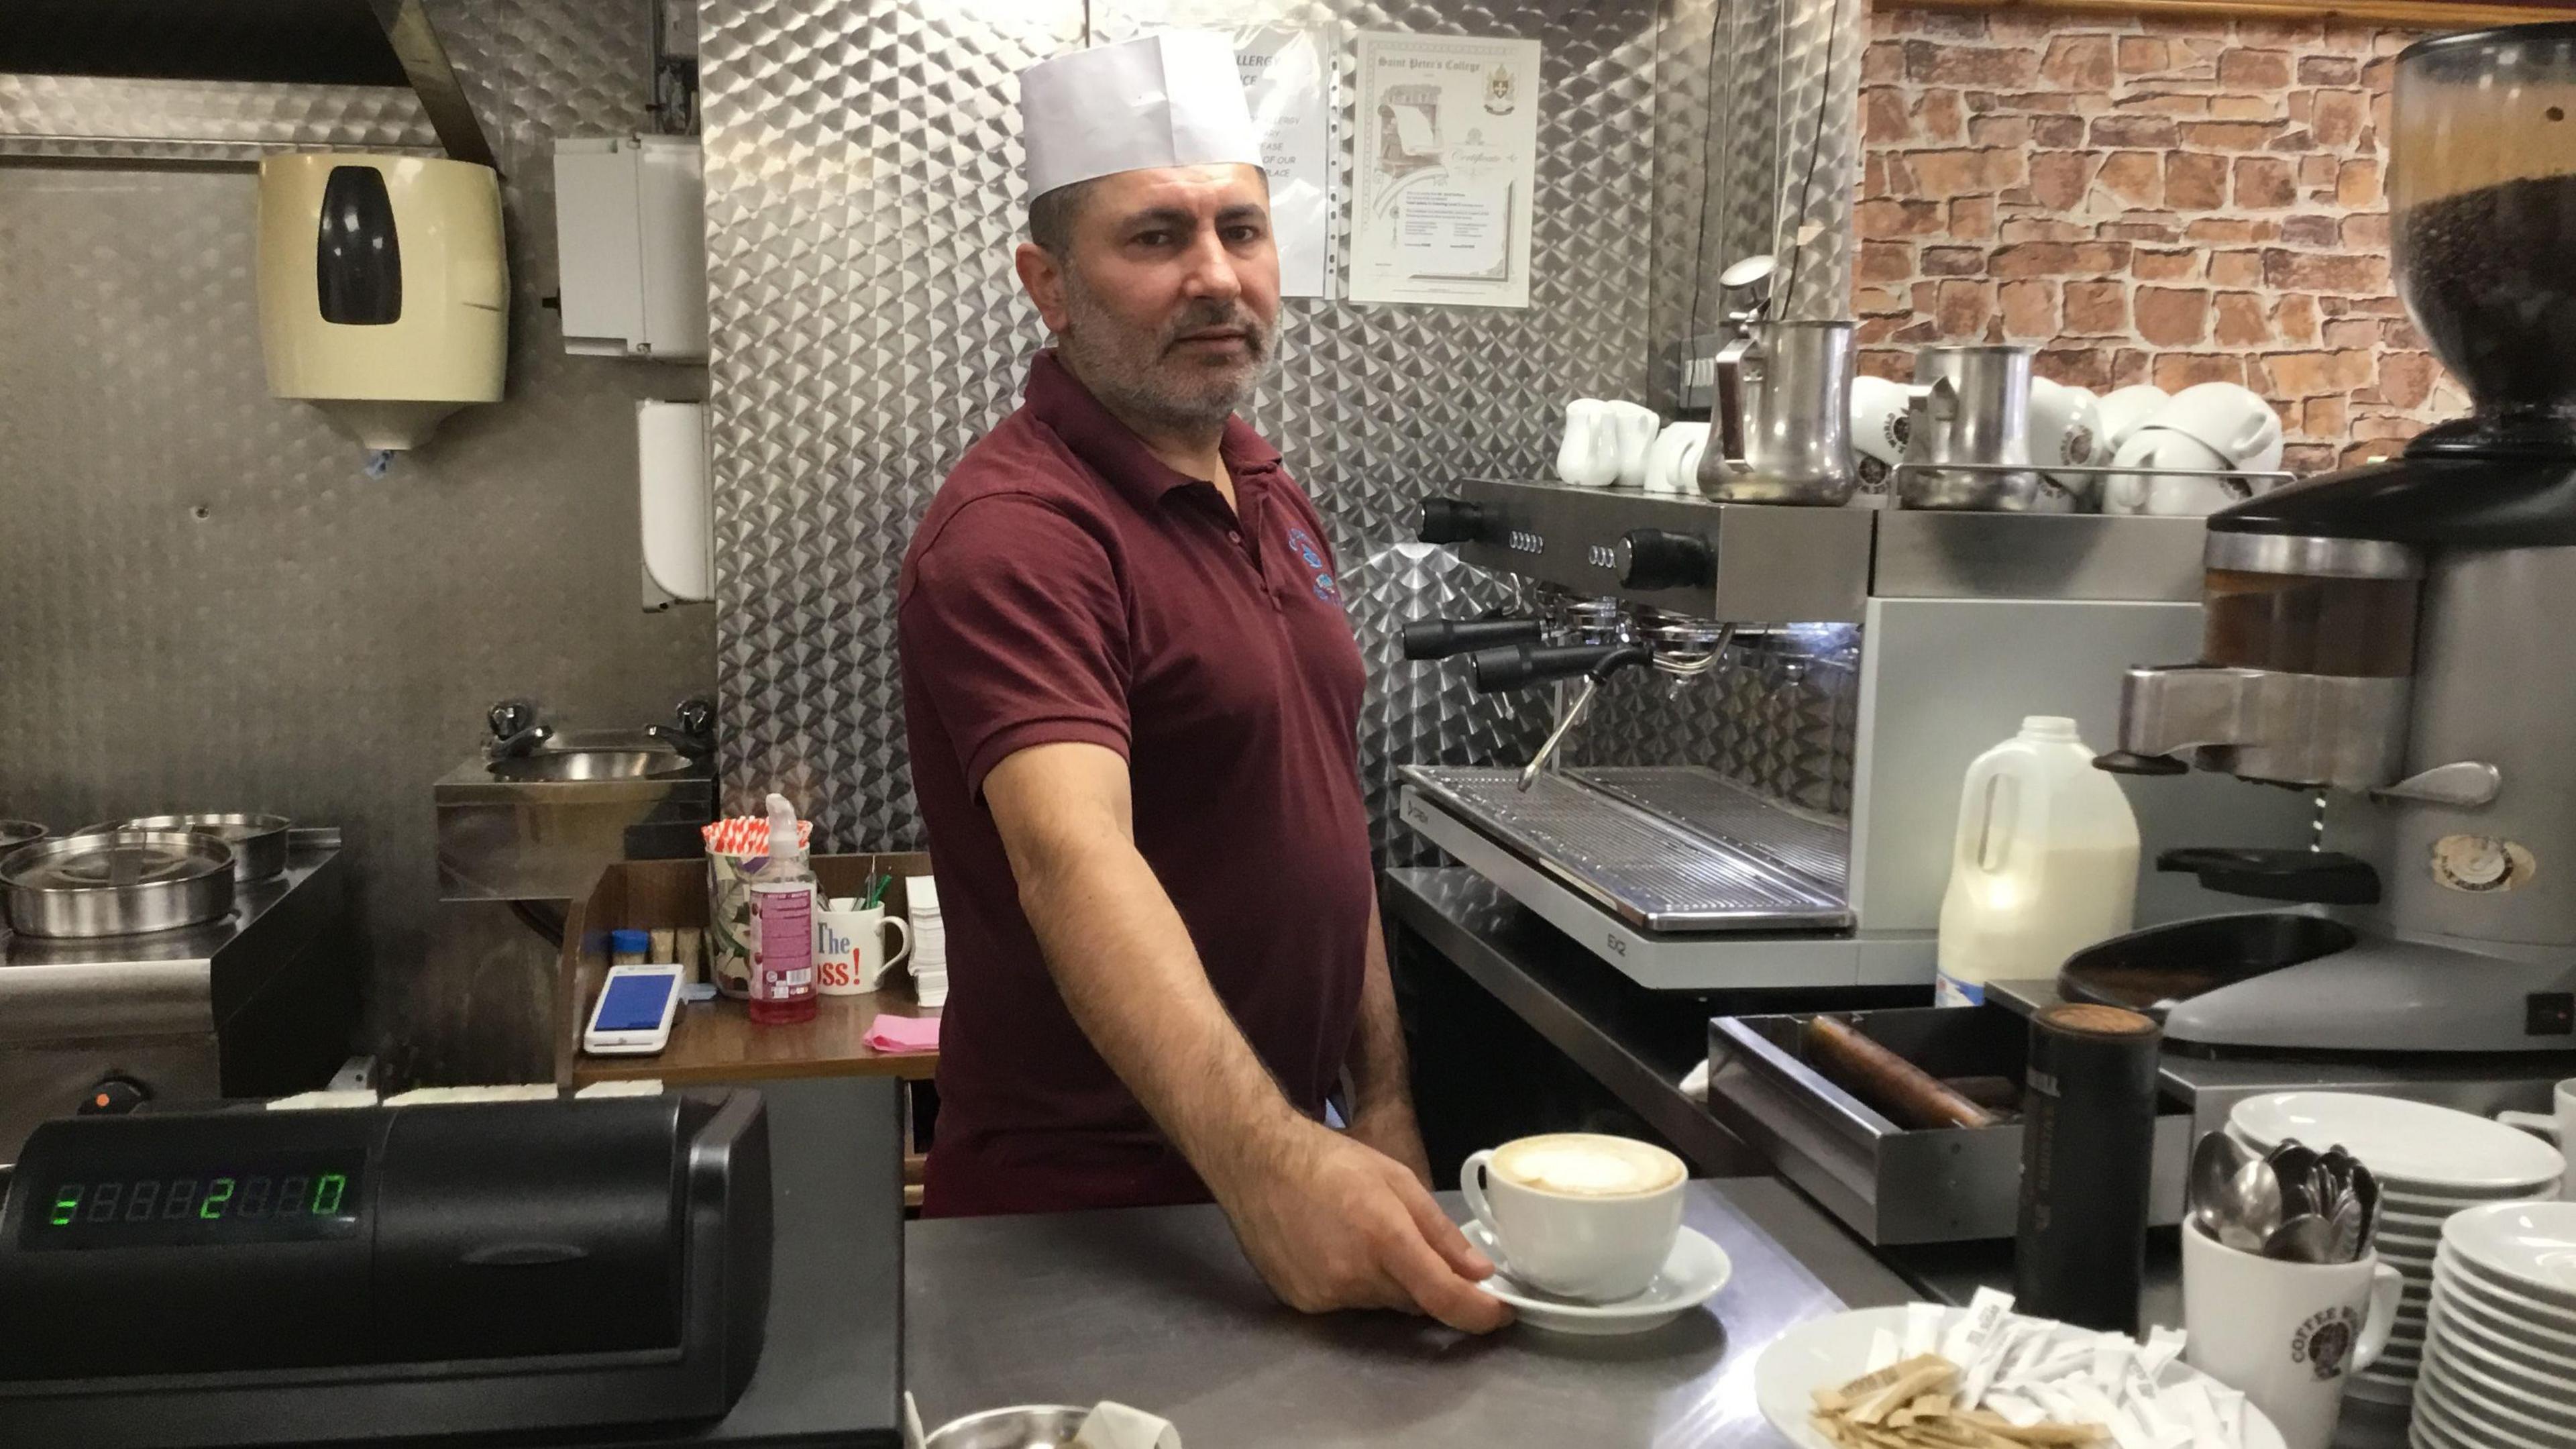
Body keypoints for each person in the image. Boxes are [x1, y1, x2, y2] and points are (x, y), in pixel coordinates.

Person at [896, 31, 1507, 1334]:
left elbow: (1321, 809)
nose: (1217, 277)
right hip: (1086, 1215)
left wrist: (1380, 1102)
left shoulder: (1268, 488)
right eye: (1157, 238)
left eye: (1243, 228)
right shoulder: (1018, 533)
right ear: (1047, 285)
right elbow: (1076, 863)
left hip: (1283, 1166)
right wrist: (1275, 1163)